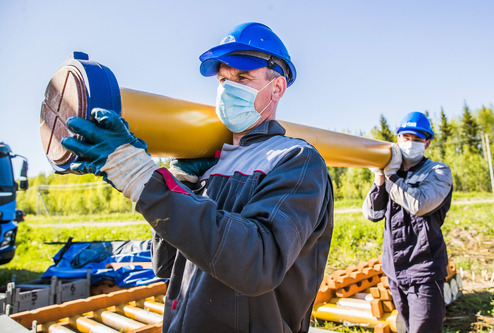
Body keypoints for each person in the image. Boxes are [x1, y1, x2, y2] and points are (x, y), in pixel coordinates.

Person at [61, 22, 334, 333]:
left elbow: (258, 263)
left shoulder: (295, 159)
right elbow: (165, 263)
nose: (228, 88)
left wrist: (143, 179)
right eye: (222, 79)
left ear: (277, 88)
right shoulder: (209, 163)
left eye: (243, 77)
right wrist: (180, 183)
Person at [362, 111, 453, 333]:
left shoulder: (438, 172)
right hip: (395, 270)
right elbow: (372, 214)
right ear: (398, 139)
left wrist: (392, 176)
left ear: (427, 142)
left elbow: (419, 204)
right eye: (406, 137)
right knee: (408, 327)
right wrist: (380, 178)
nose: (410, 143)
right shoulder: (390, 174)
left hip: (424, 271)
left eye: (417, 139)